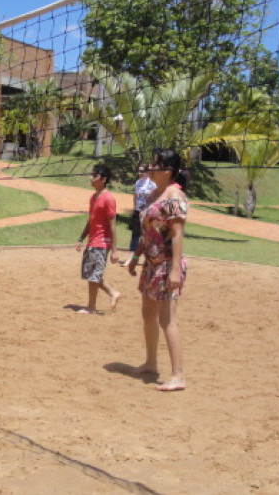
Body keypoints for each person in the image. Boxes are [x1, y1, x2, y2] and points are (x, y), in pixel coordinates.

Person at [127, 148, 188, 392]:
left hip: (166, 264)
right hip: (151, 264)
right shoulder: (155, 193)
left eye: (154, 164)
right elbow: (147, 231)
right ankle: (151, 363)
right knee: (147, 314)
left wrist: (174, 270)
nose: (149, 168)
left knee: (167, 320)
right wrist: (136, 257)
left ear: (167, 170)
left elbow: (177, 235)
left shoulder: (175, 197)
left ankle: (178, 375)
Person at [75, 163, 121, 314]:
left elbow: (113, 225)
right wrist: (81, 238)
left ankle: (91, 307)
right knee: (91, 274)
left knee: (94, 275)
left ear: (103, 179)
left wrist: (114, 250)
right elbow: (91, 220)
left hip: (102, 243)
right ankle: (113, 293)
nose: (91, 178)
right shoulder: (94, 197)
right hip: (92, 241)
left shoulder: (108, 199)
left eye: (95, 175)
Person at [122, 163, 156, 267]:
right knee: (135, 235)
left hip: (147, 213)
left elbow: (153, 199)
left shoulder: (152, 184)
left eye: (142, 171)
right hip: (138, 212)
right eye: (139, 170)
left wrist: (146, 210)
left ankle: (150, 259)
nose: (139, 173)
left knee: (148, 236)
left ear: (147, 172)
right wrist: (135, 209)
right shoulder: (138, 183)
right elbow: (135, 197)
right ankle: (130, 258)